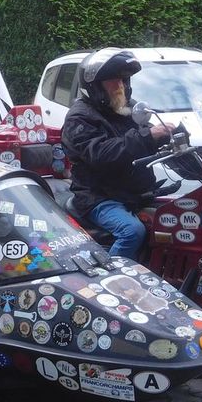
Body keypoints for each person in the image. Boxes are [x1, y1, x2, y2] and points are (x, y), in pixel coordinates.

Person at [61, 48, 174, 259]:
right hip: (99, 197)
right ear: (95, 86)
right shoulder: (79, 118)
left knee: (180, 213)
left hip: (132, 194)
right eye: (113, 80)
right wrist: (148, 136)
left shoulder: (124, 109)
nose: (120, 86)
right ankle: (113, 275)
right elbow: (102, 154)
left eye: (124, 80)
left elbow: (142, 136)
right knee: (132, 231)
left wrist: (168, 136)